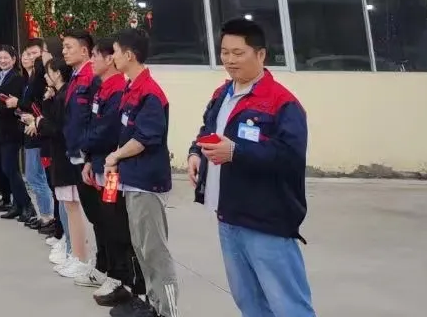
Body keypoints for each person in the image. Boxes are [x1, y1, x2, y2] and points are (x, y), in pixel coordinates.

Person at [188, 19, 316, 317]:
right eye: (224, 52)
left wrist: (236, 151)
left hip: (265, 221)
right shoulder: (223, 94)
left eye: (238, 53)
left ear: (260, 55)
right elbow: (208, 127)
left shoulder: (282, 104)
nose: (230, 60)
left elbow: (290, 158)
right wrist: (196, 152)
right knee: (249, 301)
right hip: (227, 215)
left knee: (288, 304)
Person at [107, 28, 178, 317]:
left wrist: (116, 155)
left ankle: (168, 311)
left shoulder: (149, 93)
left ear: (129, 54)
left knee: (155, 252)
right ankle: (153, 304)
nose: (112, 57)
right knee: (141, 247)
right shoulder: (131, 87)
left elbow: (144, 138)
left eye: (114, 51)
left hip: (147, 182)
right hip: (131, 179)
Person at [78, 38, 144, 301]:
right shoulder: (104, 88)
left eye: (97, 55)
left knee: (115, 222)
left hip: (112, 171)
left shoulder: (118, 90)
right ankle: (115, 273)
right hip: (99, 165)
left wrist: (82, 145)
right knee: (105, 220)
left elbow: (105, 131)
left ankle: (123, 278)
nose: (92, 60)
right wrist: (88, 159)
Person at [57, 28, 98, 280]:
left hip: (87, 155)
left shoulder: (91, 77)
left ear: (85, 50)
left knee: (98, 214)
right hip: (74, 151)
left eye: (69, 47)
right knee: (88, 209)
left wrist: (87, 152)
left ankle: (93, 263)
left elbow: (91, 119)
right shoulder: (75, 77)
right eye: (63, 48)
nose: (64, 52)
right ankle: (82, 259)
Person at [32, 58, 81, 271]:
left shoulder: (65, 95)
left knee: (70, 207)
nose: (45, 76)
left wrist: (39, 122)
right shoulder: (58, 95)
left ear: (58, 74)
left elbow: (58, 128)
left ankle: (76, 254)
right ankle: (69, 248)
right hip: (59, 156)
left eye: (48, 72)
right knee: (63, 203)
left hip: (66, 157)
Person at [0, 45, 35, 223]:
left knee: (11, 169)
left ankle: (27, 205)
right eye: (0, 58)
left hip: (10, 129)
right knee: (6, 168)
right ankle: (16, 205)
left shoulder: (17, 79)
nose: (2, 61)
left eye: (6, 57)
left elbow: (13, 104)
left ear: (14, 60)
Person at [17, 39, 56, 230]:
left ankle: (48, 216)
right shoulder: (30, 77)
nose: (30, 57)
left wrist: (34, 119)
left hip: (38, 131)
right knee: (35, 176)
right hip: (30, 128)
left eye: (34, 53)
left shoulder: (42, 77)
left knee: (36, 176)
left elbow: (44, 106)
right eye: (27, 54)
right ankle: (45, 215)